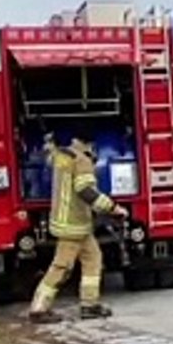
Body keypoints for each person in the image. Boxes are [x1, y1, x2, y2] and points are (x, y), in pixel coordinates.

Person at [28, 128, 129, 324]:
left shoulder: (61, 156)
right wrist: (113, 208)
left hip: (71, 223)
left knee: (93, 258)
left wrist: (50, 140)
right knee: (61, 266)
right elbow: (86, 191)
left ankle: (89, 305)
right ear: (89, 143)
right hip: (73, 224)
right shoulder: (82, 160)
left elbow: (48, 154)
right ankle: (39, 308)